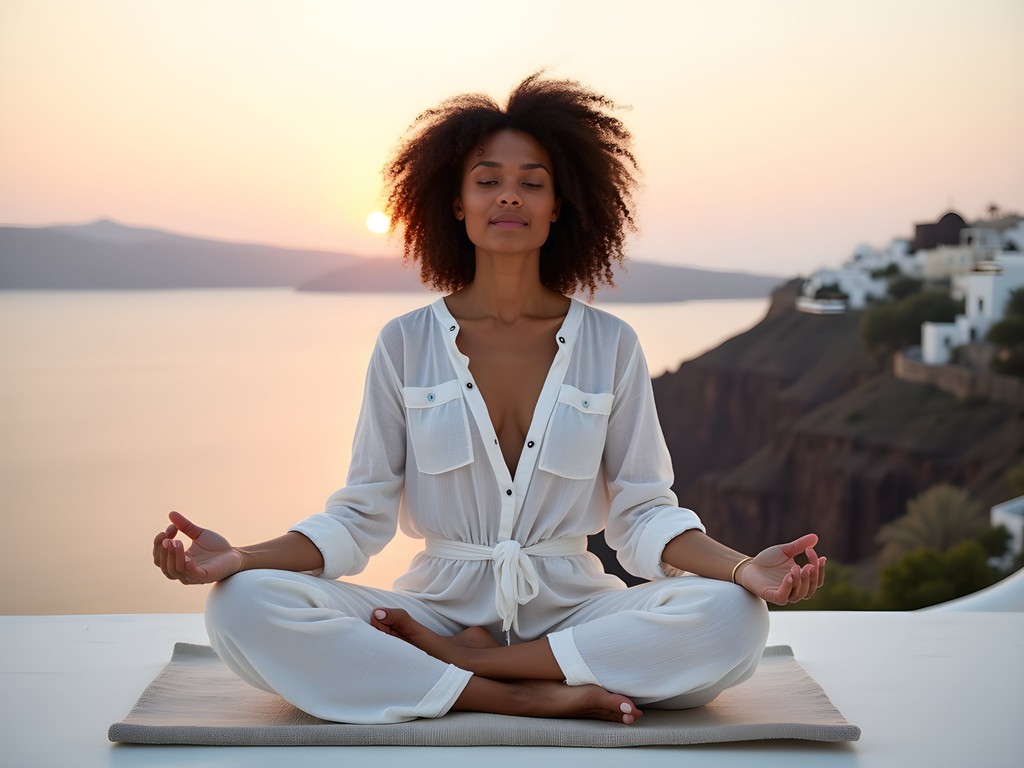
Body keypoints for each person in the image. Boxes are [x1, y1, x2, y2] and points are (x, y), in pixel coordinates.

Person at [153, 73, 826, 726]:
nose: (510, 196)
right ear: (455, 202)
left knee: (734, 617)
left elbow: (644, 514)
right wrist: (240, 558)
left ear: (560, 205)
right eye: (488, 181)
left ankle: (461, 673)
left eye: (532, 182)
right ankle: (522, 694)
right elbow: (360, 517)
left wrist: (742, 569)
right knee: (239, 606)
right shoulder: (404, 344)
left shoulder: (610, 344)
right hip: (434, 611)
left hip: (572, 612)